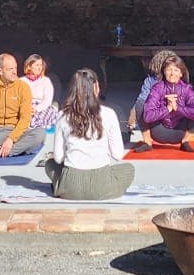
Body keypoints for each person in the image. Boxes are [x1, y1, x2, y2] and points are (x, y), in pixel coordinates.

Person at [45, 69, 133, 200]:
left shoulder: (63, 115)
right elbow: (118, 155)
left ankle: (61, 186)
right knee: (129, 169)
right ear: (96, 87)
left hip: (71, 187)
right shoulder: (108, 114)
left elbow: (58, 158)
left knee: (50, 164)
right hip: (101, 185)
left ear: (73, 90)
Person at [139, 52, 194, 145]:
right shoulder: (157, 88)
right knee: (140, 104)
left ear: (181, 73)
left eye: (176, 70)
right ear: (164, 72)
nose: (172, 73)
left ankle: (185, 141)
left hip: (180, 131)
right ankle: (147, 142)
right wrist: (168, 109)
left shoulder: (187, 89)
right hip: (159, 131)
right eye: (169, 70)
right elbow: (148, 117)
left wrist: (177, 108)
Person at [23, 54, 59, 131]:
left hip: (41, 108)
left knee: (44, 116)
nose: (39, 67)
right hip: (26, 108)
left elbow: (47, 100)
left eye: (41, 65)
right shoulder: (22, 81)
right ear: (29, 66)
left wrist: (36, 109)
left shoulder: (46, 80)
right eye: (37, 65)